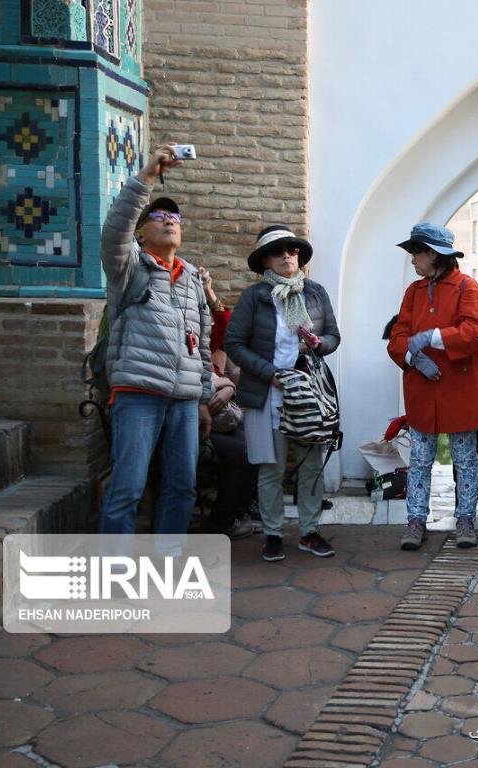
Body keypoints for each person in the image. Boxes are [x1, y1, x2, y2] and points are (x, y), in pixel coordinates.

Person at [97, 143, 212, 536]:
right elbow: (114, 232)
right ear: (141, 233)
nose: (170, 220)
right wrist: (147, 177)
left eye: (174, 216)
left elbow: (204, 340)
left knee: (182, 488)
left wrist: (202, 399)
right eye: (159, 216)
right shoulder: (129, 267)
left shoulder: (192, 278)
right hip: (138, 394)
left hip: (183, 401)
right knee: (127, 489)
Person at [226, 226, 341, 562]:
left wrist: (319, 345)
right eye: (278, 252)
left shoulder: (315, 293)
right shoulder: (255, 297)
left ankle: (309, 531)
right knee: (271, 468)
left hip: (308, 393)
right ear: (266, 260)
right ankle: (273, 534)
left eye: (292, 250)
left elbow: (333, 335)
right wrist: (270, 374)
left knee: (310, 466)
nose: (287, 256)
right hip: (268, 392)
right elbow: (234, 343)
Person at [387, 223, 478, 551]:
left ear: (434, 254)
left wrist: (433, 338)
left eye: (416, 253)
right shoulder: (413, 292)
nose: (413, 260)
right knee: (419, 459)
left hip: (460, 390)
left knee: (465, 459)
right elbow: (398, 336)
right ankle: (416, 520)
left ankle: (465, 519)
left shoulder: (467, 287)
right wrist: (415, 358)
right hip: (424, 389)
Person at [198, 266, 260, 540]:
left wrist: (208, 292)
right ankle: (221, 522)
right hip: (186, 418)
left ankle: (239, 510)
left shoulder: (200, 335)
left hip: (210, 414)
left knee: (254, 441)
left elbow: (224, 323)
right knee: (244, 453)